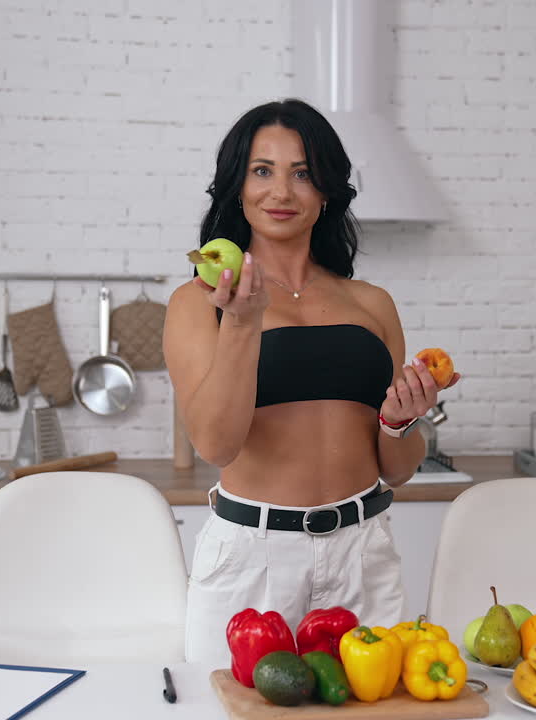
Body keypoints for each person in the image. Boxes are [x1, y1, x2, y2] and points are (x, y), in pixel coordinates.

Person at [163, 98, 460, 665]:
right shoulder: (200, 302)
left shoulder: (372, 304)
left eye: (301, 173)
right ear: (238, 186)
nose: (281, 192)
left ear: (325, 190)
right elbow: (216, 444)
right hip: (252, 561)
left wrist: (401, 421)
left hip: (363, 552)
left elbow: (396, 469)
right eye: (262, 170)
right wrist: (244, 323)